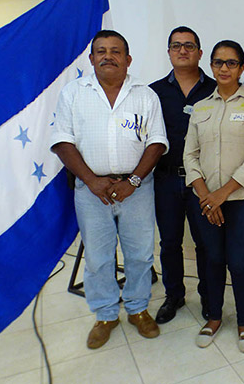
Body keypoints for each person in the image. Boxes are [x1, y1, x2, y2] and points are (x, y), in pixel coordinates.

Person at [50, 30, 169, 349]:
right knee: (99, 259)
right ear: (91, 59)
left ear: (128, 59)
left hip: (137, 189)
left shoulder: (145, 95)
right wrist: (91, 179)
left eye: (116, 51)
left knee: (141, 255)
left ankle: (137, 309)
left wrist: (132, 181)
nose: (108, 56)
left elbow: (157, 143)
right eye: (101, 51)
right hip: (91, 191)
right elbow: (63, 142)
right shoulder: (74, 93)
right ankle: (105, 315)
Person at [184, 40, 244, 353]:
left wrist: (223, 193)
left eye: (231, 63)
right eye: (218, 62)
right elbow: (189, 154)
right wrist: (206, 195)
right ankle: (214, 316)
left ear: (241, 68)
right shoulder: (201, 107)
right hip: (207, 199)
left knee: (237, 261)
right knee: (214, 258)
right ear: (211, 66)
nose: (224, 68)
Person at [149, 27, 216, 324]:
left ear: (200, 53)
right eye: (176, 45)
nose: (182, 50)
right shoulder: (153, 92)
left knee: (206, 243)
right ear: (168, 52)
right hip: (165, 179)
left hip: (204, 182)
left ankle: (209, 296)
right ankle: (173, 295)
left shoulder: (216, 89)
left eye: (189, 45)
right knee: (169, 243)